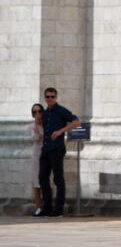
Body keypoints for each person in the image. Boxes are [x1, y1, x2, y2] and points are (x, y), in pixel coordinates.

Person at [38, 87, 80, 217]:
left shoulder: (61, 110)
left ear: (56, 97)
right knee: (43, 178)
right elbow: (40, 126)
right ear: (45, 98)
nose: (50, 99)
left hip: (57, 149)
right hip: (45, 149)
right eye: (47, 96)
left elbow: (77, 122)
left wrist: (61, 131)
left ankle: (59, 209)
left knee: (58, 179)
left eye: (52, 96)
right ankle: (47, 207)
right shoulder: (44, 113)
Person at [27, 103, 44, 216]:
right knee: (36, 181)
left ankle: (48, 205)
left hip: (48, 154)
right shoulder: (31, 126)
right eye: (35, 112)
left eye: (39, 111)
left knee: (47, 181)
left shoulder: (48, 124)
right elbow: (35, 138)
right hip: (37, 155)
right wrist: (37, 126)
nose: (37, 114)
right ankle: (38, 207)